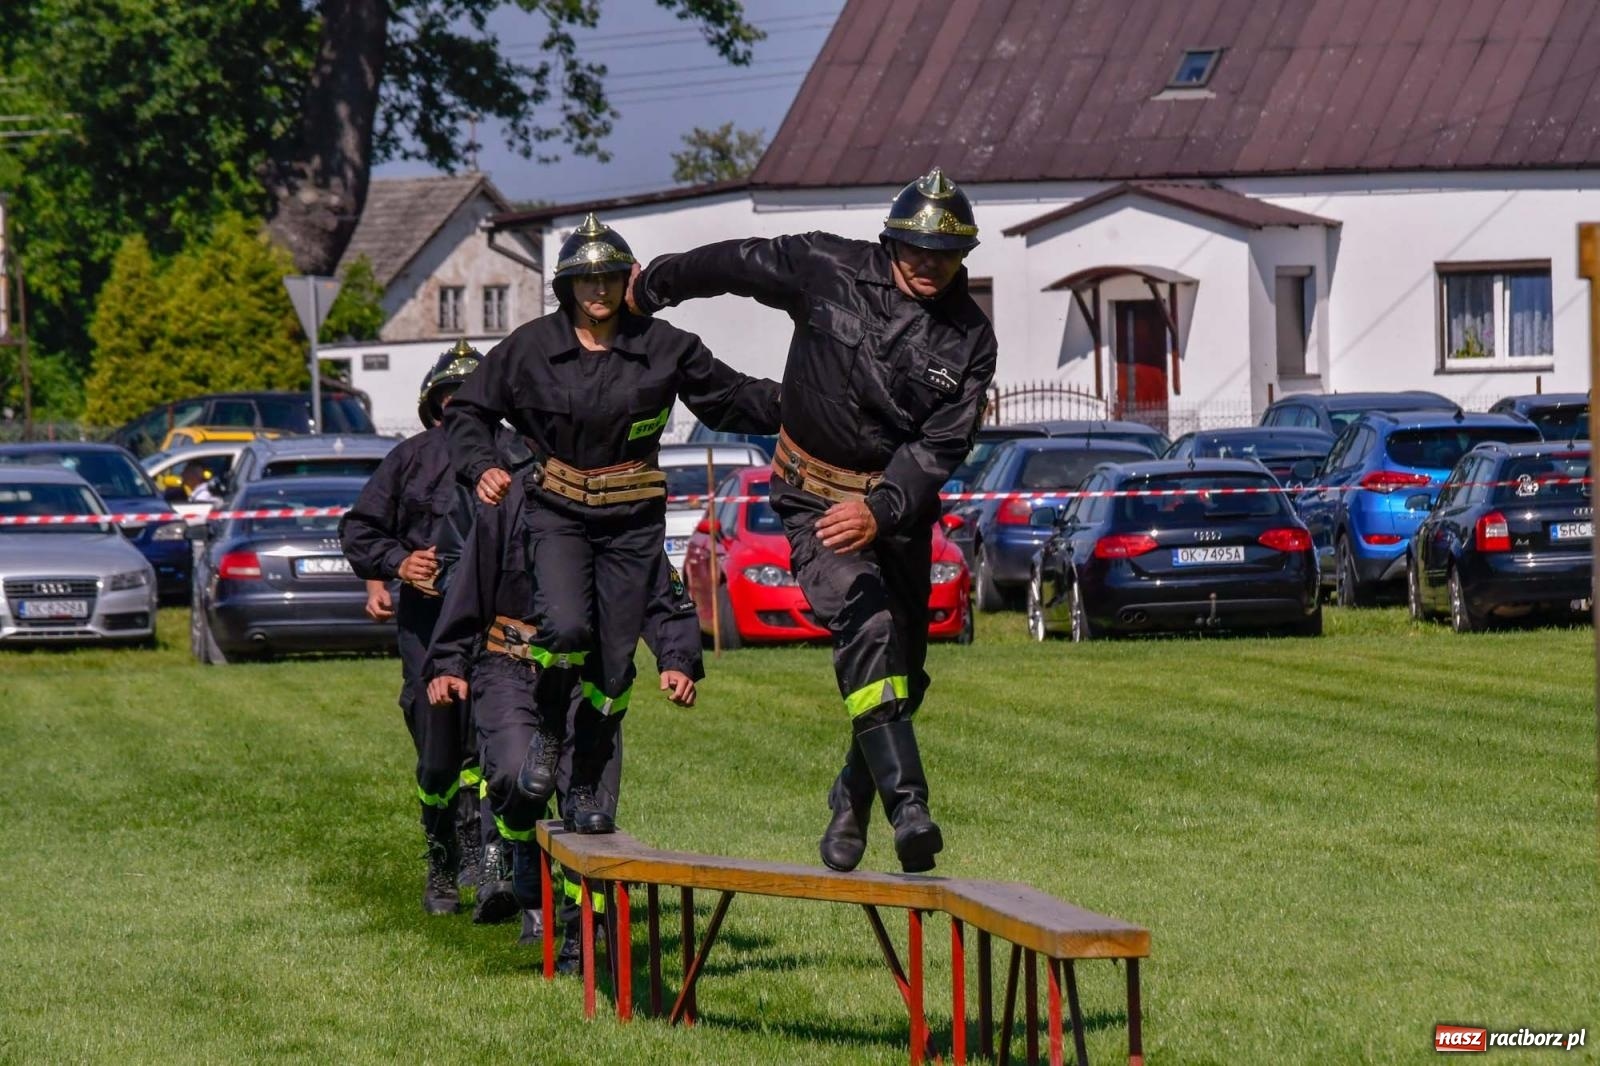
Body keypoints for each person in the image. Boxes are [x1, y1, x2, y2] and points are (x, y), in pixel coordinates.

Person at [628, 168, 997, 874]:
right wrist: (657, 286)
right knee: (868, 626)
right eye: (919, 251)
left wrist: (881, 510)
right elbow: (738, 263)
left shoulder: (972, 338)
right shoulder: (826, 264)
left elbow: (941, 445)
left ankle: (851, 799)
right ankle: (909, 808)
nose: (930, 266)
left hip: (893, 514)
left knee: (905, 675)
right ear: (892, 242)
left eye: (947, 256)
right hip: (814, 501)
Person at [444, 213, 779, 836]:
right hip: (558, 513)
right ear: (566, 286)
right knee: (567, 626)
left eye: (608, 277)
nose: (597, 289)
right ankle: (548, 730)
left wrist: (807, 401)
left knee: (613, 666)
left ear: (628, 280)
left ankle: (588, 779)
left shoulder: (666, 345)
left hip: (632, 518)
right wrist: (481, 465)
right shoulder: (529, 347)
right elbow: (468, 411)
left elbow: (731, 398)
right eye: (585, 279)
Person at [424, 467, 702, 962]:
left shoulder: (619, 498)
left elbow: (654, 584)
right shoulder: (510, 499)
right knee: (512, 771)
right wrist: (448, 663)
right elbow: (468, 584)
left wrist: (675, 657)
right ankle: (522, 852)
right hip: (509, 666)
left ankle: (582, 938)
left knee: (590, 808)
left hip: (587, 676)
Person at [340, 341, 508, 918]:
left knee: (494, 742)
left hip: (497, 626)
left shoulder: (516, 456)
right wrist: (399, 563)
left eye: (472, 397)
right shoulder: (408, 459)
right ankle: (442, 861)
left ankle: (490, 861)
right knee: (439, 754)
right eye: (450, 397)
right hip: (427, 628)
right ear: (434, 404)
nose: (459, 408)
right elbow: (359, 531)